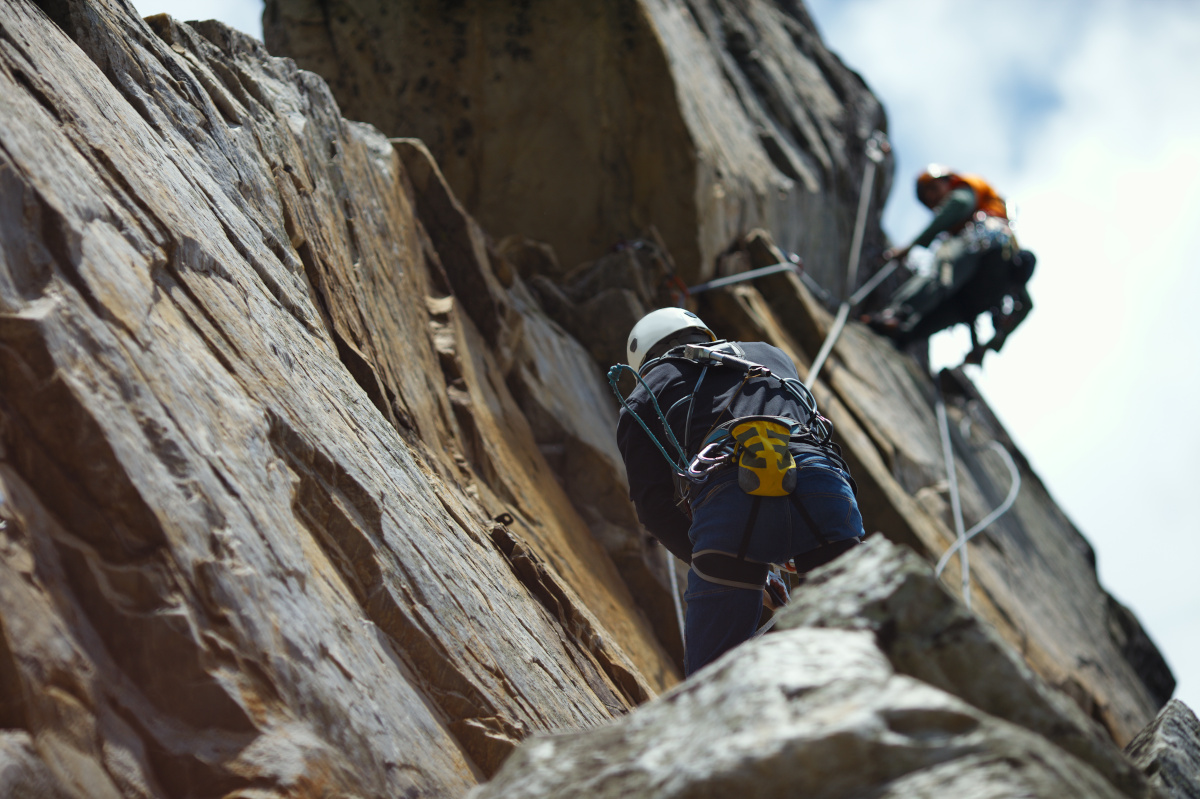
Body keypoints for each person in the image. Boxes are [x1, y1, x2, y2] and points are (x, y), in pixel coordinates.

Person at [613, 308, 865, 675]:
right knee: (852, 639)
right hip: (822, 483)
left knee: (711, 677)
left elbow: (653, 508)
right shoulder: (771, 355)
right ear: (703, 332)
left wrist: (711, 558)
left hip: (732, 503)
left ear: (645, 360)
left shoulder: (645, 392)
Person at [866, 165, 1036, 364]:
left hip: (981, 243)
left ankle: (896, 314)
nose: (932, 201)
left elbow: (957, 206)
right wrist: (994, 343)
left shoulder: (966, 188)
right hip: (985, 290)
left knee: (943, 271)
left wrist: (910, 247)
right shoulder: (1008, 252)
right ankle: (905, 336)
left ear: (946, 180)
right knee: (956, 306)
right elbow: (1025, 306)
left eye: (932, 190)